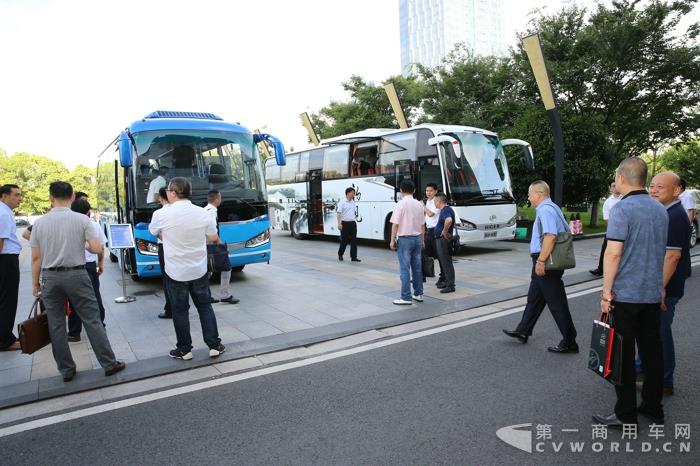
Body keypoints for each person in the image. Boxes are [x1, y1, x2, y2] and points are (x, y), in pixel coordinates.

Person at [593, 157, 667, 428]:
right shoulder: (660, 209)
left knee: (621, 356)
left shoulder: (623, 209)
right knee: (652, 353)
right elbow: (659, 253)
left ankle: (625, 415)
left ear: (621, 177)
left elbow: (613, 253)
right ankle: (653, 408)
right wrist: (659, 288)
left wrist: (606, 292)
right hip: (650, 293)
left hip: (625, 295)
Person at [30, 181, 125, 382]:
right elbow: (98, 248)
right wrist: (84, 245)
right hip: (77, 274)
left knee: (55, 324)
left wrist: (35, 284)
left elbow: (36, 258)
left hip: (50, 276)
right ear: (72, 198)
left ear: (50, 197)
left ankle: (66, 370)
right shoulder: (82, 221)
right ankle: (108, 363)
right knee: (92, 319)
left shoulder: (39, 223)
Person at [149, 177, 225, 360]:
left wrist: (170, 237)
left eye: (168, 190)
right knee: (205, 307)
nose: (167, 192)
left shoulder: (161, 214)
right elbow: (212, 236)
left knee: (180, 311)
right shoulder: (203, 213)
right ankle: (214, 345)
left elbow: (154, 232)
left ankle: (184, 349)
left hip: (175, 271)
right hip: (199, 268)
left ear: (173, 193)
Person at [502, 181, 578, 353]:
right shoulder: (554, 208)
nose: (529, 198)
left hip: (547, 260)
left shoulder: (545, 210)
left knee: (556, 303)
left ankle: (570, 341)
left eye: (530, 194)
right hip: (545, 259)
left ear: (539, 193)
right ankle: (523, 330)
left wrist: (541, 261)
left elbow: (550, 236)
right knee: (535, 298)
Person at [646, 171, 691, 396]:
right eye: (652, 186)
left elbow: (672, 257)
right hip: (662, 285)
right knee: (654, 331)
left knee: (660, 332)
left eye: (659, 187)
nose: (653, 190)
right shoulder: (667, 212)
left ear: (676, 190)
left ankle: (665, 380)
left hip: (667, 287)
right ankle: (644, 369)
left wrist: (660, 288)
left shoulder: (674, 216)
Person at [65, 198, 108, 342]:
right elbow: (100, 248)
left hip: (72, 266)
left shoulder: (68, 225)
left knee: (74, 299)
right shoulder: (93, 225)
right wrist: (101, 263)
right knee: (95, 296)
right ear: (88, 212)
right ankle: (100, 325)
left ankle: (74, 332)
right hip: (89, 266)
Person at [389, 179, 425, 305]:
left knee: (405, 269)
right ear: (414, 190)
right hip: (417, 239)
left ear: (401, 190)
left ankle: (405, 297)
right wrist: (422, 240)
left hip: (404, 240)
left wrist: (392, 240)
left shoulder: (400, 204)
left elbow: (395, 224)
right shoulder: (419, 204)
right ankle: (418, 293)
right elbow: (422, 225)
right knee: (417, 268)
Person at [204, 190, 240, 304]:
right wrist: (221, 245)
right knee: (226, 267)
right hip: (211, 244)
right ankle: (224, 295)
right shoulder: (211, 212)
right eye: (220, 197)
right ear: (217, 199)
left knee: (208, 270)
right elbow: (212, 233)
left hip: (205, 245)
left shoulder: (205, 210)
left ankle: (206, 295)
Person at [0, 184, 23, 351]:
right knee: (8, 300)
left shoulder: (5, 212)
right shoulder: (3, 213)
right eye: (16, 195)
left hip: (7, 259)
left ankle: (5, 336)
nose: (19, 198)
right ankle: (5, 340)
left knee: (5, 299)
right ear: (4, 196)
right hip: (6, 260)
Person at [590, 181, 621, 276]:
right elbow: (606, 217)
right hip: (612, 230)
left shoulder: (625, 199)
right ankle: (600, 269)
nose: (615, 187)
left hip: (625, 229)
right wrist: (614, 228)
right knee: (605, 249)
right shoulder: (608, 201)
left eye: (616, 185)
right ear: (610, 188)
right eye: (613, 186)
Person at [156, 187, 173, 319]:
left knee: (167, 278)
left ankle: (170, 309)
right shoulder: (180, 211)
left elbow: (153, 230)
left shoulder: (159, 213)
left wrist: (164, 237)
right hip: (180, 246)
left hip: (165, 248)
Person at [433, 194, 456, 293]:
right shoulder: (444, 210)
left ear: (439, 201)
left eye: (435, 201)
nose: (434, 203)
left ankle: (450, 285)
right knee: (445, 262)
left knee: (446, 262)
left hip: (443, 240)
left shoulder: (446, 210)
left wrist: (444, 231)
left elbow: (449, 220)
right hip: (441, 239)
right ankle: (447, 282)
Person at [423, 183, 444, 287]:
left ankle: (442, 277)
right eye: (427, 191)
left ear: (435, 191)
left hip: (436, 230)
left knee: (440, 255)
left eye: (430, 191)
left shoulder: (437, 201)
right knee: (424, 252)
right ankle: (424, 274)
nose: (428, 193)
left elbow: (431, 214)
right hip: (429, 230)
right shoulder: (428, 201)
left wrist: (422, 207)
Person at [337, 187, 360, 262]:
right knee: (344, 240)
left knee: (354, 241)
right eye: (353, 193)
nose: (354, 194)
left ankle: (353, 257)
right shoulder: (342, 202)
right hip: (344, 223)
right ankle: (340, 254)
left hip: (352, 223)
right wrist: (339, 224)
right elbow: (339, 213)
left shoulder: (352, 202)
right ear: (348, 193)